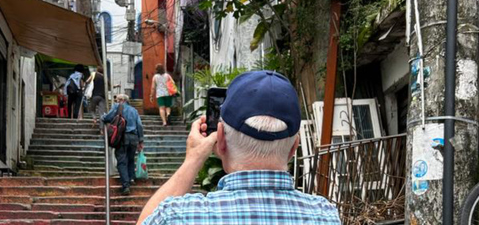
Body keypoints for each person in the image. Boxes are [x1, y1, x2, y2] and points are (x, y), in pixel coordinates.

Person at [137, 71, 341, 225]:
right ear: (293, 147)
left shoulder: (178, 216)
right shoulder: (325, 216)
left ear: (221, 140)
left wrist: (193, 160)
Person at [103, 94, 144, 195]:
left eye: (117, 100)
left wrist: (102, 116)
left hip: (122, 137)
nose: (116, 102)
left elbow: (108, 117)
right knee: (130, 159)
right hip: (134, 138)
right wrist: (141, 140)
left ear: (121, 100)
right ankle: (131, 178)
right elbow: (139, 125)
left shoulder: (117, 107)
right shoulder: (134, 111)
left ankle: (126, 186)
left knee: (122, 161)